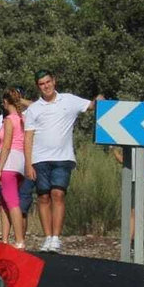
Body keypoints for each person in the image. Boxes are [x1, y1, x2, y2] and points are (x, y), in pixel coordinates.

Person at [22, 69, 100, 253]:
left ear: (54, 81)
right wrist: (28, 163)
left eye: (48, 82)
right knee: (43, 196)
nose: (46, 86)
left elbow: (92, 106)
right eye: (42, 84)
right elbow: (28, 137)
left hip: (63, 157)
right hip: (39, 159)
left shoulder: (69, 100)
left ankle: (56, 238)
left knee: (58, 194)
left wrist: (100, 98)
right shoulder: (33, 109)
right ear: (38, 87)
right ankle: (47, 237)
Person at [0, 88, 30, 248]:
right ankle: (5, 239)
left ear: (6, 102)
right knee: (5, 201)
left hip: (9, 162)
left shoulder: (9, 120)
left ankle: (19, 240)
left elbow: (6, 145)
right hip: (20, 161)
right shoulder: (23, 119)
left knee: (12, 201)